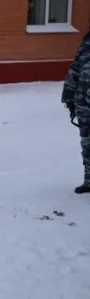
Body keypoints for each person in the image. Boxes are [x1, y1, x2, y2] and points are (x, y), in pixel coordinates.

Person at [62, 29, 90, 193]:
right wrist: (69, 97)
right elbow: (75, 70)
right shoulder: (86, 43)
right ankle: (88, 180)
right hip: (84, 105)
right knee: (87, 145)